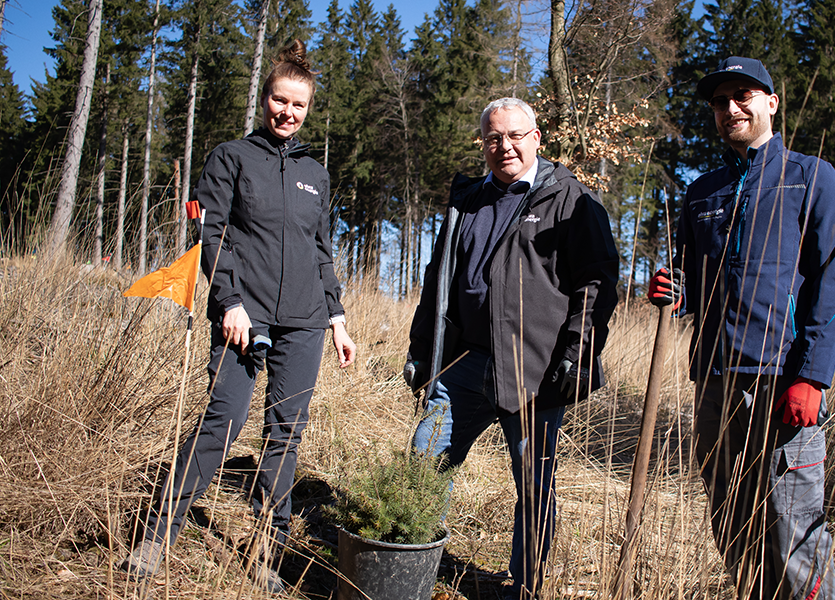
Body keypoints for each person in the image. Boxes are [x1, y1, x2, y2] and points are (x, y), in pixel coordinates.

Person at [120, 40, 356, 593]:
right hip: (243, 317)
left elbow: (322, 251)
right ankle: (157, 537)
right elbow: (212, 234)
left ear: (308, 111)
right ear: (265, 99)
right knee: (222, 423)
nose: (287, 113)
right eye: (279, 101)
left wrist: (337, 318)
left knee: (285, 435)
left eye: (298, 106)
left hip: (305, 322)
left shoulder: (314, 176)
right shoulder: (231, 157)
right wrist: (229, 302)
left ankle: (268, 551)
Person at [648, 57, 835, 599]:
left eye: (743, 96)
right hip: (714, 380)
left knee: (794, 529)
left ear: (771, 103)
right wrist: (674, 290)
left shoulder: (809, 178)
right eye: (720, 101)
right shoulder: (702, 193)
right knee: (731, 520)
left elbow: (833, 283)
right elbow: (692, 284)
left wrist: (813, 375)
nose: (730, 108)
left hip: (781, 382)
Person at [404, 97, 619, 599]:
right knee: (424, 462)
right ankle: (410, 572)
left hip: (532, 368)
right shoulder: (468, 199)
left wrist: (577, 352)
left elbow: (596, 282)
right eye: (494, 138)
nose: (505, 146)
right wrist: (422, 349)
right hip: (462, 362)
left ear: (537, 138)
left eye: (516, 135)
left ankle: (526, 587)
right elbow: (439, 280)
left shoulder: (568, 199)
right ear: (483, 143)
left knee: (534, 485)